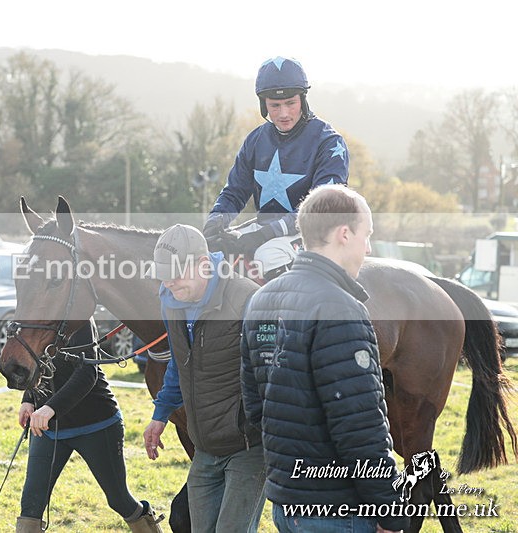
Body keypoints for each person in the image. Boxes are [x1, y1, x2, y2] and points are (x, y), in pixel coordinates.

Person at [240, 185, 408, 533]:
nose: (369, 248)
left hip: (288, 505)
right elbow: (360, 427)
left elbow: (256, 407)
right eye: (367, 235)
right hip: (337, 510)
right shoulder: (342, 309)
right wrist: (391, 513)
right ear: (344, 234)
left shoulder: (261, 300)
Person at [143, 224, 265, 532]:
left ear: (205, 264)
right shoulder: (170, 301)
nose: (169, 282)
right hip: (205, 448)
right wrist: (160, 415)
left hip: (248, 447)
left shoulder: (248, 299)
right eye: (163, 274)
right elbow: (180, 363)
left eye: (176, 273)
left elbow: (273, 375)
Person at [203, 56, 350, 281]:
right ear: (264, 105)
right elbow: (234, 192)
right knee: (212, 255)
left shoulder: (329, 142)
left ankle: (284, 314)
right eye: (275, 105)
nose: (283, 113)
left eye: (290, 103)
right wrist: (215, 222)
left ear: (303, 99)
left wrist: (267, 233)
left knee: (268, 254)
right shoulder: (255, 140)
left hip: (315, 233)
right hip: (266, 228)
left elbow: (321, 209)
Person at [16, 321, 163, 533]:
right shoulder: (37, 319)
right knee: (30, 505)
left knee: (119, 500)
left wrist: (50, 408)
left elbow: (87, 374)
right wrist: (28, 398)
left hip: (97, 425)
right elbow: (35, 357)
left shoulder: (81, 321)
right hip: (48, 429)